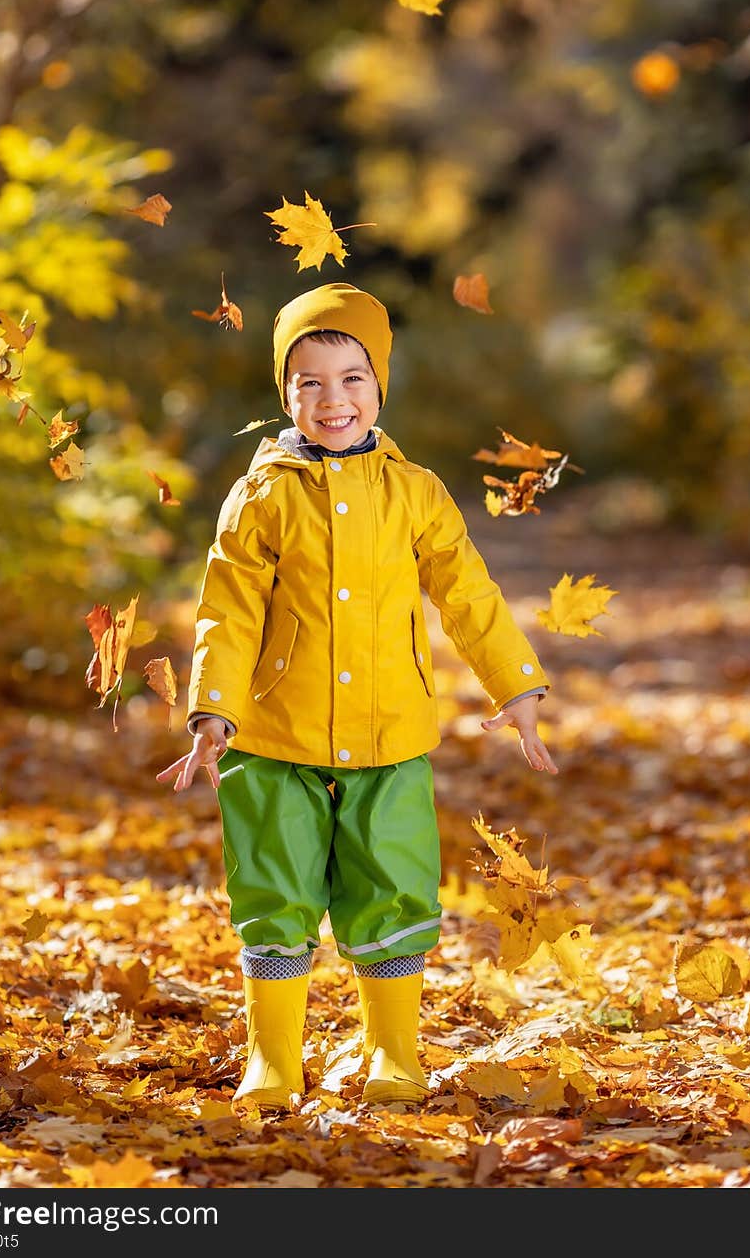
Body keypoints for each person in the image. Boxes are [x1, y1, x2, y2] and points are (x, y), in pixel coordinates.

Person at [156, 281, 557, 1111]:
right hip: (273, 737)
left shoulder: (414, 492)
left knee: (393, 888)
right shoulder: (260, 496)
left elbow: (468, 595)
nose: (332, 400)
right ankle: (273, 1058)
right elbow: (226, 610)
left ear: (380, 388)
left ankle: (393, 1052)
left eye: (352, 380)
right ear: (285, 392)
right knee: (274, 890)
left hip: (388, 736)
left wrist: (515, 686)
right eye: (310, 382)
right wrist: (213, 713)